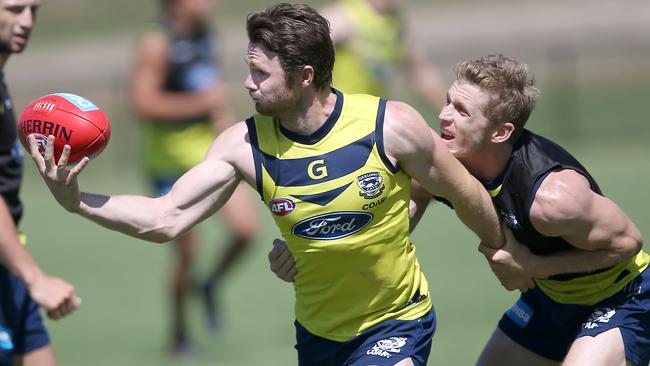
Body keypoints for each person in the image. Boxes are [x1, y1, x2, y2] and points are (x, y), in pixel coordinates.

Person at [27, 4, 504, 365]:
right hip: (319, 335)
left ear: (304, 76)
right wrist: (78, 202)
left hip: (398, 321)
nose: (247, 85)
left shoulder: (391, 125)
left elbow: (463, 190)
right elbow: (166, 216)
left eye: (261, 74)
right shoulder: (243, 146)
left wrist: (505, 254)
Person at [269, 54, 650, 366]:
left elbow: (628, 244)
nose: (444, 115)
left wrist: (534, 268)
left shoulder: (552, 199)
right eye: (448, 101)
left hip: (623, 297)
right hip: (551, 300)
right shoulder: (441, 164)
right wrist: (316, 251)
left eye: (463, 111)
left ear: (500, 132)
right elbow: (406, 207)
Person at [129, 0, 259, 354]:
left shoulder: (206, 36)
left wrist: (226, 124)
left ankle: (210, 285)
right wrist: (199, 104)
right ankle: (179, 333)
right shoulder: (157, 42)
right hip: (168, 159)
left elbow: (213, 97)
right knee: (187, 251)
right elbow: (142, 104)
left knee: (247, 231)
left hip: (208, 153)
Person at [0, 0, 81, 365]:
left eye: (34, 9)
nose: (28, 21)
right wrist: (35, 278)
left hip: (9, 270)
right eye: (15, 9)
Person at [322, 0, 447, 110]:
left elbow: (421, 74)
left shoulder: (395, 24)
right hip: (338, 116)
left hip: (372, 117)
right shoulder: (342, 18)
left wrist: (453, 110)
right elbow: (306, 53)